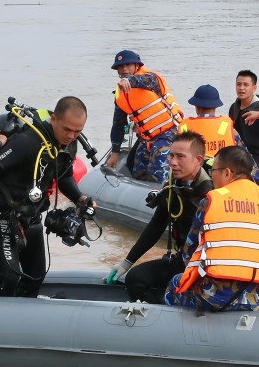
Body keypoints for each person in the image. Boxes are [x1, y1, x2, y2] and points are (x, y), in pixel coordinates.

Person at [0, 96, 95, 297]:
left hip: (32, 217)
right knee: (9, 277)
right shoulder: (27, 141)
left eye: (77, 131)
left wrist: (80, 198)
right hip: (2, 216)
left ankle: (22, 322)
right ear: (54, 119)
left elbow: (64, 176)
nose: (71, 136)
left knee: (35, 276)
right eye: (67, 129)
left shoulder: (69, 144)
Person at [164, 146, 259, 312]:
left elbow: (189, 254)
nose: (211, 176)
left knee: (175, 282)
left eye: (213, 171)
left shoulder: (211, 202)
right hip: (258, 298)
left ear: (226, 173)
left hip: (213, 297)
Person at [104, 131, 214, 304]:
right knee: (135, 279)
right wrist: (126, 263)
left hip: (206, 268)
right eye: (171, 155)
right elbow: (156, 225)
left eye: (180, 157)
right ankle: (162, 315)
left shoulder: (212, 192)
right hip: (181, 262)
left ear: (198, 160)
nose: (173, 162)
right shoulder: (172, 184)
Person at [106, 50, 184, 183]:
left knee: (157, 173)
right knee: (138, 173)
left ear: (137, 66)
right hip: (145, 139)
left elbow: (140, 80)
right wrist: (114, 153)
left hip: (166, 134)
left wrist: (128, 80)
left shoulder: (150, 79)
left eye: (128, 65)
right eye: (120, 66)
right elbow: (118, 125)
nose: (124, 69)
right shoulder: (120, 95)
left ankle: (165, 197)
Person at [228, 70, 259, 174]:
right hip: (238, 154)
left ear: (254, 88)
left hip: (258, 155)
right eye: (238, 84)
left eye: (246, 85)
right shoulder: (234, 108)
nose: (241, 88)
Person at [178, 84, 245, 158]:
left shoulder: (185, 126)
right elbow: (244, 154)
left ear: (196, 106)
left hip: (195, 168)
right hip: (223, 167)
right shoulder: (225, 125)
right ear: (216, 106)